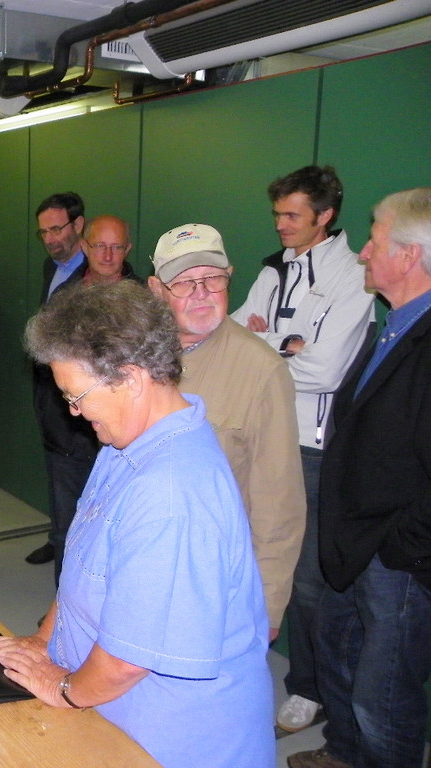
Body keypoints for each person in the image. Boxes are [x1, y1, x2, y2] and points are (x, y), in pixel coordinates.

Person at [0, 280, 273, 768]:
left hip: (173, 744)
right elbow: (85, 567)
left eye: (76, 395)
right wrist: (42, 641)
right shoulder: (128, 443)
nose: (73, 411)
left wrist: (62, 688)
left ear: (132, 378)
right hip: (112, 715)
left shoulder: (171, 493)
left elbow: (127, 660)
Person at [288, 188, 431, 768]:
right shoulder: (395, 325)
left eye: (374, 240)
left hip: (395, 556)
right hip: (357, 541)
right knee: (338, 651)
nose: (364, 252)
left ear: (409, 256)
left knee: (383, 696)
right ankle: (344, 754)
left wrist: (401, 547)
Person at [231, 165, 375, 732]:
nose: (281, 224)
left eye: (292, 215)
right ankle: (249, 660)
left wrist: (265, 343)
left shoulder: (352, 275)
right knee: (253, 560)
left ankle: (311, 691)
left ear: (326, 215)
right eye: (277, 214)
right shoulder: (274, 270)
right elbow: (233, 339)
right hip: (258, 438)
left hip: (312, 451)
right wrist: (284, 343)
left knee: (311, 585)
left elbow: (325, 370)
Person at [147, 223, 305, 641]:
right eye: (184, 282)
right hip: (143, 561)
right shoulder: (137, 354)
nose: (201, 293)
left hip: (211, 581)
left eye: (212, 279)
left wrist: (267, 607)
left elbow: (279, 504)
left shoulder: (261, 370)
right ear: (157, 290)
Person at [24, 193, 98, 579]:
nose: (50, 239)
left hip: (80, 406)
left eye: (57, 229)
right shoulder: (51, 268)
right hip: (50, 398)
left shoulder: (93, 273)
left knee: (76, 493)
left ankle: (68, 583)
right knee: (57, 480)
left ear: (78, 224)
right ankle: (56, 540)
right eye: (44, 233)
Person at [80, 214, 141, 286]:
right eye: (100, 246)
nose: (108, 257)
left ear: (127, 250)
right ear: (85, 247)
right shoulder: (68, 290)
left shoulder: (144, 292)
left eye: (116, 247)